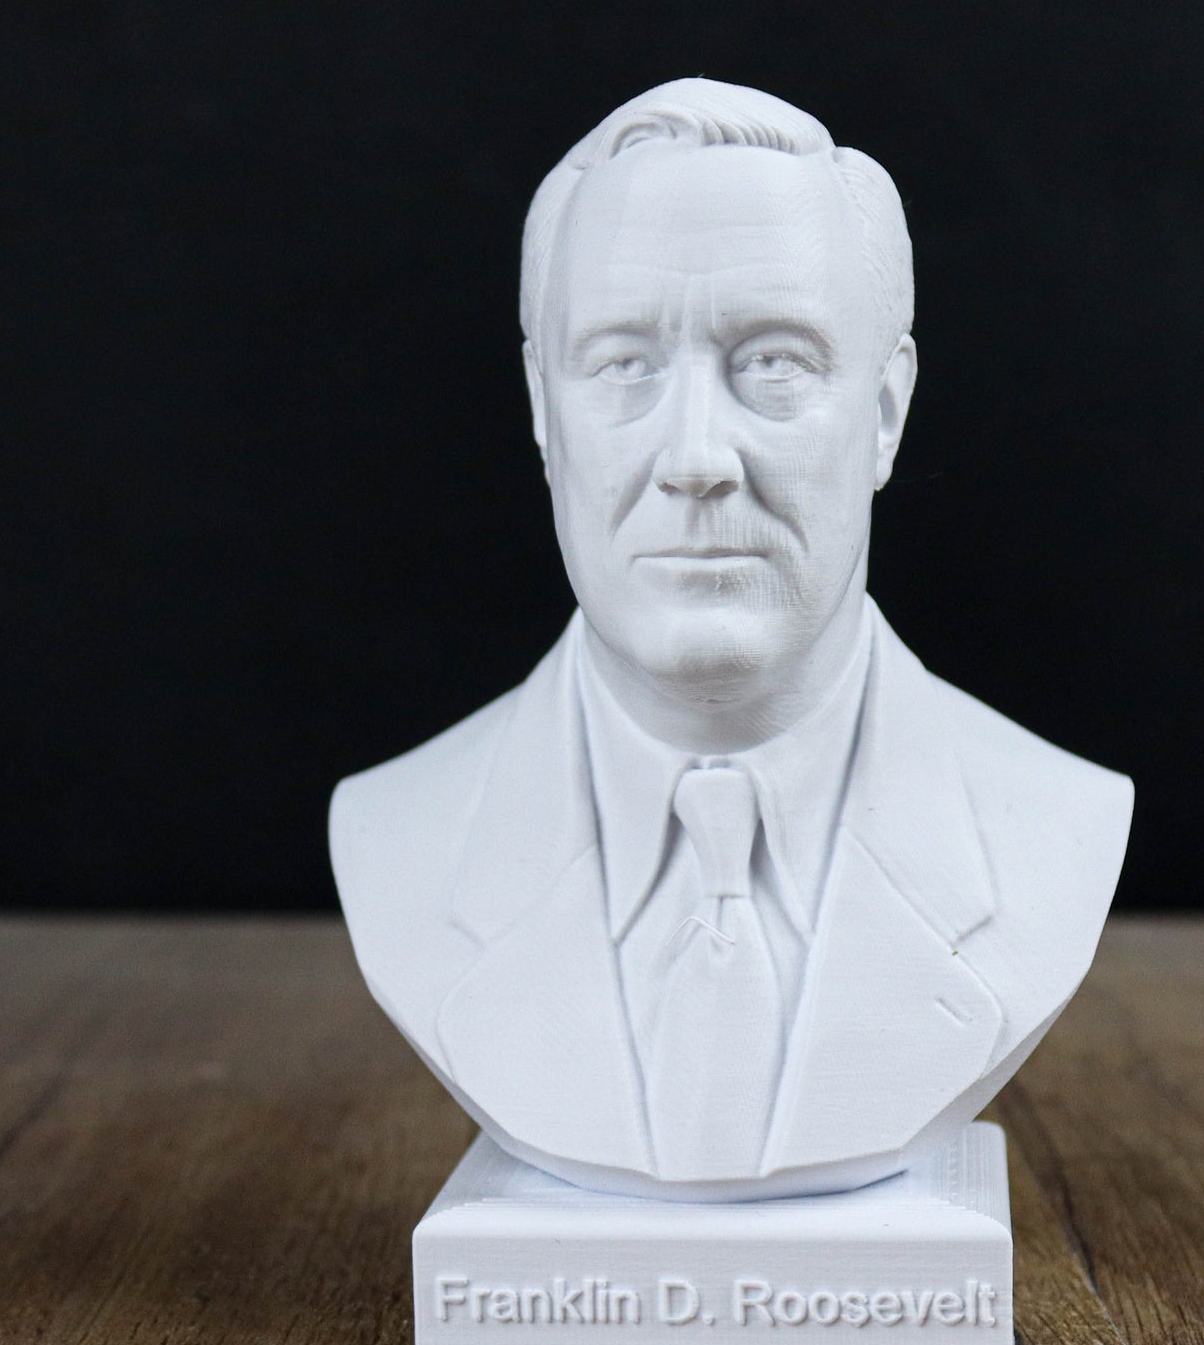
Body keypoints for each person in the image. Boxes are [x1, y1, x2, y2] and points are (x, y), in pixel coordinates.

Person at [332, 79, 1131, 1200]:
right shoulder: (398, 833)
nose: (696, 456)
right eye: (622, 366)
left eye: (774, 363)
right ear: (539, 410)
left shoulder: (1053, 826)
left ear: (886, 413)